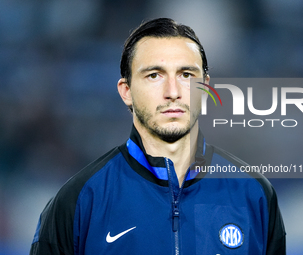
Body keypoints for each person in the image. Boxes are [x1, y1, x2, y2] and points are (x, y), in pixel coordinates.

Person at [30, 18, 286, 255]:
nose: (172, 92)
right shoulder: (79, 200)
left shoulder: (255, 194)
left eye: (186, 75)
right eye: (154, 75)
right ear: (126, 90)